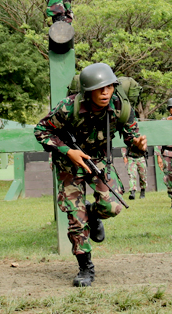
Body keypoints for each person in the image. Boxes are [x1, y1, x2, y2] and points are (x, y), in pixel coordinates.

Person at [35, 63, 147, 287]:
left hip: (98, 160)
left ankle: (93, 215)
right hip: (69, 163)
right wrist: (68, 151)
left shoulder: (121, 108)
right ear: (88, 91)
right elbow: (41, 131)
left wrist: (138, 147)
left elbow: (131, 143)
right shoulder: (68, 107)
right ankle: (85, 268)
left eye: (109, 87)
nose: (105, 93)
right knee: (76, 217)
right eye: (99, 89)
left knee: (112, 207)